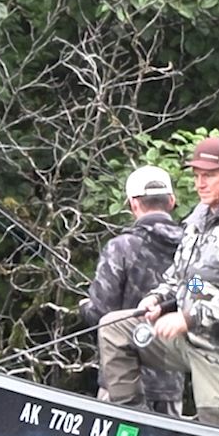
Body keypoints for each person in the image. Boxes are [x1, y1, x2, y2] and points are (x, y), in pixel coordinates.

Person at [97, 136, 219, 431]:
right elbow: (191, 280)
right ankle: (135, 423)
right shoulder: (198, 221)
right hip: (189, 339)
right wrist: (159, 299)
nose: (200, 184)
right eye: (196, 176)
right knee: (113, 328)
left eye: (209, 175)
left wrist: (187, 317)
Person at [80, 165, 186, 415]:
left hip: (120, 383)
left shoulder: (121, 248)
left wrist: (83, 306)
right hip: (170, 384)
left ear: (133, 204)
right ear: (171, 201)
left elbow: (100, 315)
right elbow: (196, 288)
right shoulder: (192, 248)